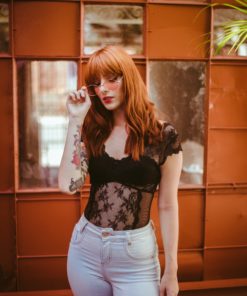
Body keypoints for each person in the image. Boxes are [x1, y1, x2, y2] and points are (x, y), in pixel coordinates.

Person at [58, 45, 183, 296]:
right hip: (86, 250)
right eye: (95, 83)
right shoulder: (92, 131)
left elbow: (168, 205)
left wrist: (172, 269)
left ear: (129, 78)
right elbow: (68, 185)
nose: (102, 88)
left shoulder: (163, 136)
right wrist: (75, 120)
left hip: (135, 258)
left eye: (111, 79)